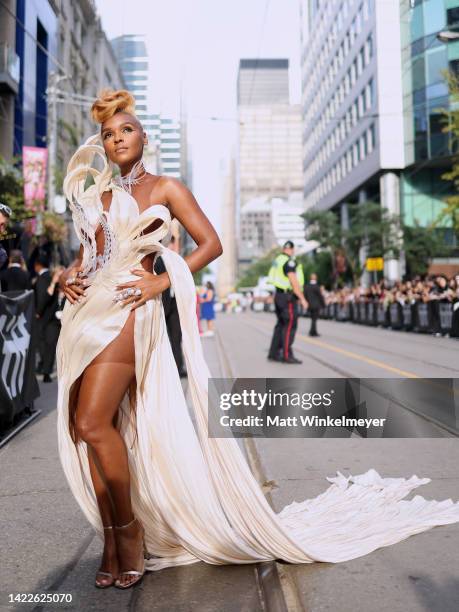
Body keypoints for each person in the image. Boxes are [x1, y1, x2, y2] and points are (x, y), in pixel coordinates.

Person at [55, 89, 459, 592]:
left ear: (144, 137)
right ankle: (112, 537)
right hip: (85, 314)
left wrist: (163, 280)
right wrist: (67, 272)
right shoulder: (99, 196)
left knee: (94, 423)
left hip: (129, 313)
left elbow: (211, 245)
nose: (118, 140)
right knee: (85, 428)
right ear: (102, 142)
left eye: (127, 130)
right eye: (109, 134)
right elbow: (88, 255)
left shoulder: (166, 187)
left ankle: (130, 531)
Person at [267, 240, 308, 363]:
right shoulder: (289, 262)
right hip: (288, 297)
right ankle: (286, 355)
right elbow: (293, 281)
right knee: (290, 326)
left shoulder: (277, 260)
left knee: (280, 325)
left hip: (279, 296)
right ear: (291, 250)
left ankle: (273, 353)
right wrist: (302, 299)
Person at [153, 236, 187, 378]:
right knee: (163, 338)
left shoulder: (176, 261)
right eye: (174, 243)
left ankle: (178, 366)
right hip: (163, 304)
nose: (175, 246)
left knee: (176, 336)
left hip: (174, 304)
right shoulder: (159, 260)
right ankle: (168, 369)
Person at [33, 253, 59, 382]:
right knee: (50, 346)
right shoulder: (52, 276)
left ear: (37, 265)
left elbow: (43, 298)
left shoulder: (42, 278)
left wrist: (38, 312)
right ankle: (46, 371)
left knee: (42, 344)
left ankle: (44, 368)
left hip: (43, 317)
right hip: (53, 318)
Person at [303, 272, 325, 337]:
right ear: (315, 278)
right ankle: (313, 332)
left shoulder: (307, 286)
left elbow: (305, 295)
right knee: (314, 319)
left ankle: (312, 331)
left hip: (310, 304)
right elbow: (320, 296)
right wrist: (323, 304)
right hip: (316, 305)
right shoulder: (316, 286)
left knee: (313, 319)